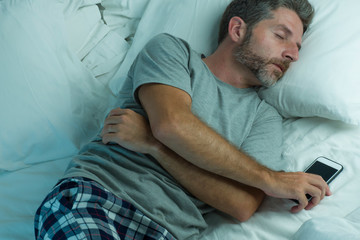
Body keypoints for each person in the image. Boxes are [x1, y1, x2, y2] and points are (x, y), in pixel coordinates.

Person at [35, 0, 331, 239]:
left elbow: (241, 205)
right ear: (238, 30)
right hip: (98, 199)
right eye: (281, 36)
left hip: (170, 233)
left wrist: (153, 145)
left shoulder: (264, 118)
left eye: (298, 48)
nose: (292, 54)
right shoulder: (172, 52)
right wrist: (272, 179)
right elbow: (172, 124)